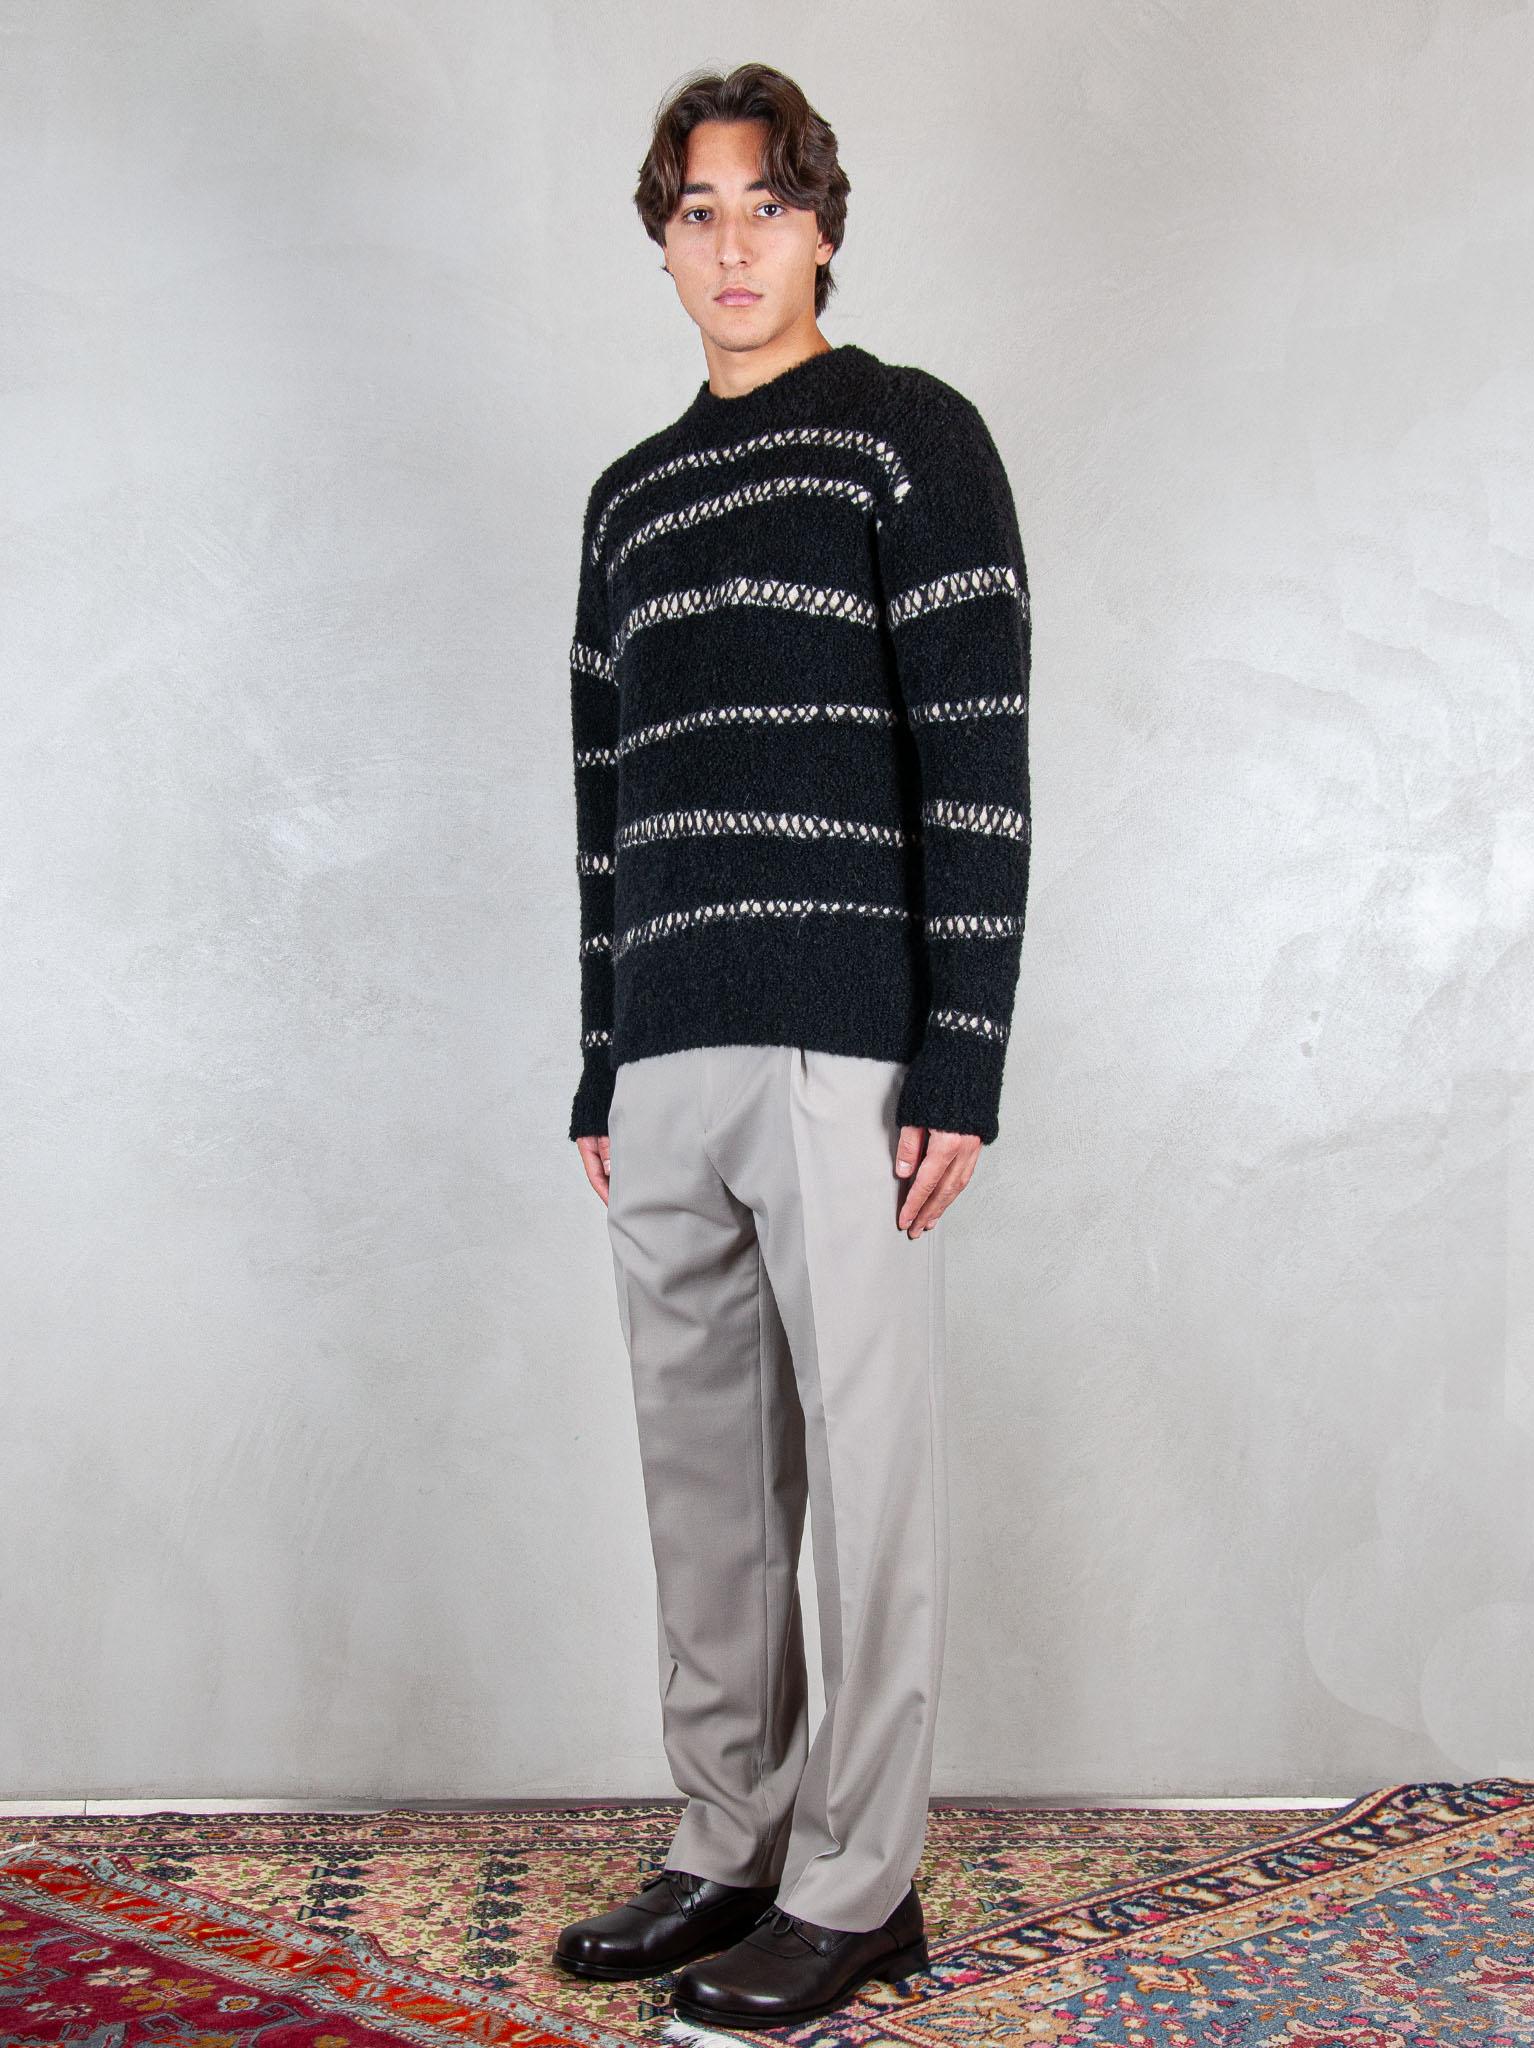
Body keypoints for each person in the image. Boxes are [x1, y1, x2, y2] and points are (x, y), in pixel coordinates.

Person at [552, 59, 1032, 2030]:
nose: (733, 244)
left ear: (822, 225)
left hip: (846, 1052)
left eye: (766, 204)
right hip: (666, 1057)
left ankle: (857, 1886)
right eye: (698, 211)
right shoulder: (629, 499)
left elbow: (975, 763)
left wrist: (961, 1060)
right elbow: (606, 802)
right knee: (705, 1491)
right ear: (661, 240)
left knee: (869, 1489)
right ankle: (723, 1841)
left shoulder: (909, 440)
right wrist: (602, 1056)